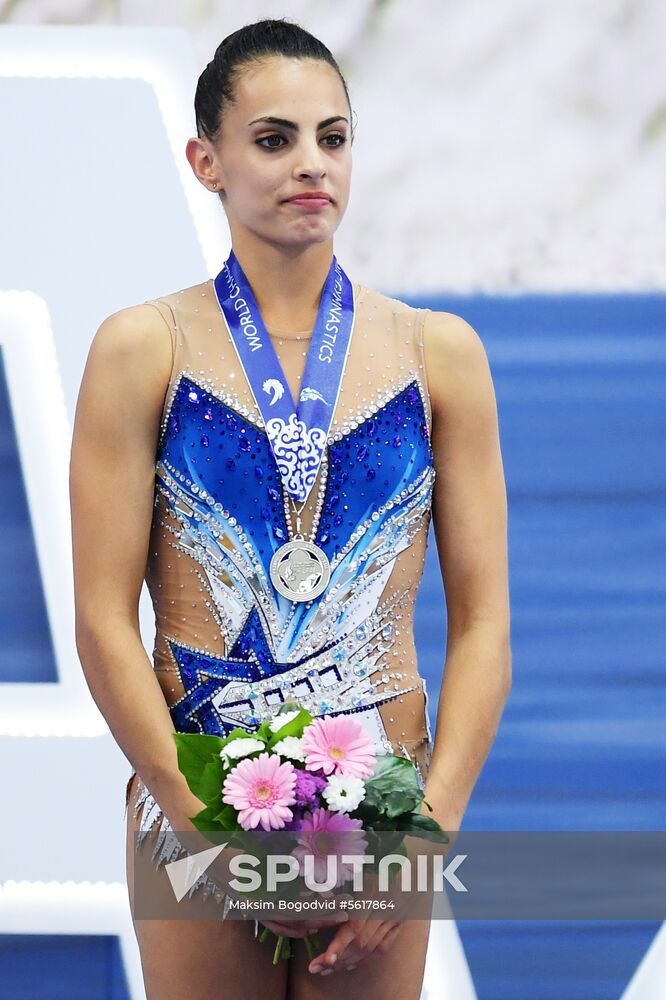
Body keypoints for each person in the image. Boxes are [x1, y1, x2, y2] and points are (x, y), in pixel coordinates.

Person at [69, 16, 511, 1000]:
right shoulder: (144, 349)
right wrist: (193, 821)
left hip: (379, 814)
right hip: (193, 800)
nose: (311, 164)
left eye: (333, 137)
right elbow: (101, 617)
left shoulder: (439, 356)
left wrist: (423, 833)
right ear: (206, 158)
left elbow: (485, 626)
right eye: (274, 139)